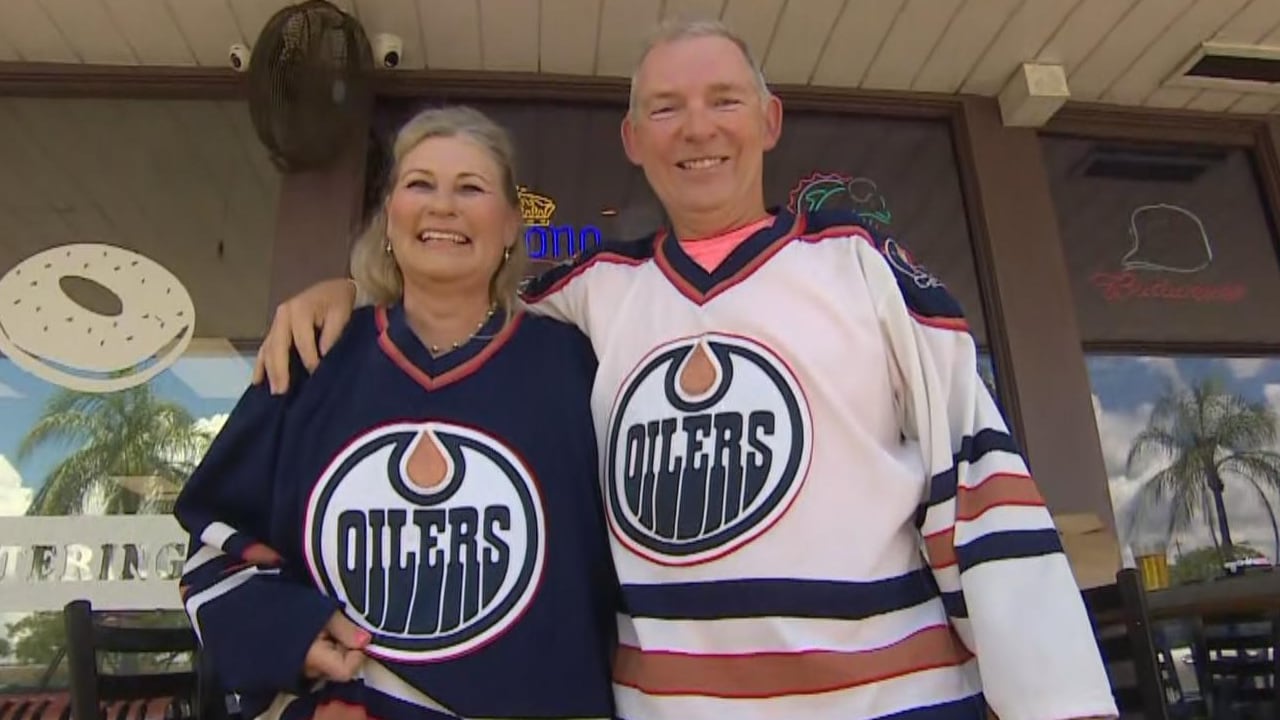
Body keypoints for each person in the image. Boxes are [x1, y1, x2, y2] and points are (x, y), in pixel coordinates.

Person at [252, 19, 1119, 720]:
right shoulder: (590, 295)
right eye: (665, 109)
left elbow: (981, 494)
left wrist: (1054, 701)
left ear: (769, 121)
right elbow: (453, 306)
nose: (697, 128)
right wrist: (351, 292)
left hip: (893, 701)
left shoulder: (863, 268)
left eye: (723, 100)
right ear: (633, 139)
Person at [174, 106, 617, 720]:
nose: (443, 206)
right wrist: (291, 634)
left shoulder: (575, 367)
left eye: (471, 188)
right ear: (389, 216)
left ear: (511, 226)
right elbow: (214, 543)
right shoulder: (313, 358)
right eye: (420, 184)